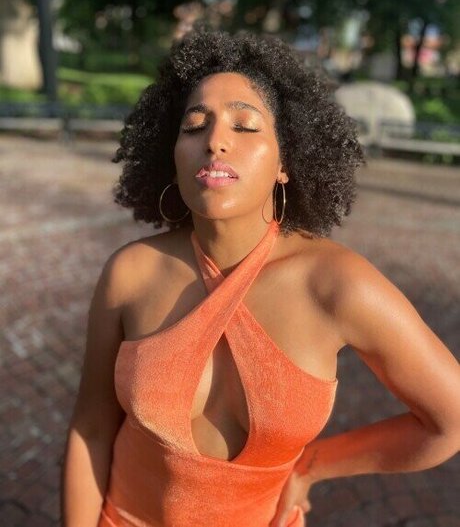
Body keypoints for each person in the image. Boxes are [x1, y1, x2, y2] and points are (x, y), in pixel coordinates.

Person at [61, 28, 460, 527]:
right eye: (194, 126)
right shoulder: (130, 273)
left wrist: (313, 467)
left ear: (285, 162)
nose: (215, 141)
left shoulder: (336, 286)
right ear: (172, 154)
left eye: (245, 126)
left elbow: (449, 421)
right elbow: (92, 428)